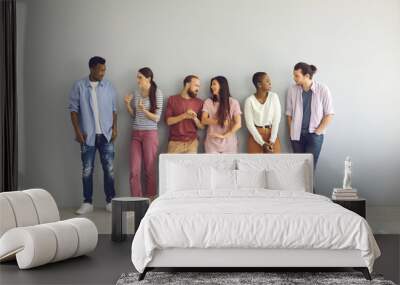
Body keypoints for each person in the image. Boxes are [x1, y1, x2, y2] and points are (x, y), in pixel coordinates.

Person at [69, 56, 117, 214]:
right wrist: (77, 131)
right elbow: (73, 110)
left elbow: (113, 109)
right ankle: (87, 202)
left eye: (104, 69)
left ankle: (110, 201)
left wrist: (114, 128)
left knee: (109, 169)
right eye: (100, 69)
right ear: (92, 69)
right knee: (87, 169)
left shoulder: (108, 86)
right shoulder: (79, 86)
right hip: (87, 135)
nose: (103, 72)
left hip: (106, 134)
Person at [286, 62, 335, 168]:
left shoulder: (322, 89)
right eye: (294, 75)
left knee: (309, 169)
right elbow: (289, 114)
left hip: (314, 136)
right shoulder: (292, 90)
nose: (294, 78)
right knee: (297, 169)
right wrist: (291, 131)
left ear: (307, 76)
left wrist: (317, 132)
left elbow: (329, 114)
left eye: (297, 76)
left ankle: (311, 186)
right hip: (296, 136)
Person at [124, 67, 163, 200]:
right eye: (137, 77)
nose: (137, 80)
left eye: (140, 77)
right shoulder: (136, 92)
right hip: (136, 133)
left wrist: (144, 110)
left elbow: (157, 118)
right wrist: (128, 105)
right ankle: (136, 201)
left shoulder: (157, 93)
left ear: (148, 79)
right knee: (134, 170)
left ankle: (150, 199)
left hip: (150, 134)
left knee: (149, 169)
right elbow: (135, 115)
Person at [201, 76, 242, 153]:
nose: (211, 87)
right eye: (211, 84)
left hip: (229, 142)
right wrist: (220, 121)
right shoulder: (208, 102)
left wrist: (224, 136)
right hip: (211, 143)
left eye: (214, 84)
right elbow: (203, 120)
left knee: (230, 164)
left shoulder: (233, 102)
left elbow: (238, 124)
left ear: (222, 85)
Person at [165, 75, 204, 153]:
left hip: (192, 142)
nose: (198, 89)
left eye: (199, 86)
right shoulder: (172, 99)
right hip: (174, 142)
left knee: (191, 165)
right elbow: (168, 121)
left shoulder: (199, 102)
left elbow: (202, 126)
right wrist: (184, 116)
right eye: (196, 85)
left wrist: (195, 118)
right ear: (187, 84)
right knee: (172, 165)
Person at [244, 72, 281, 153]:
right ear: (259, 85)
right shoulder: (249, 101)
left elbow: (276, 120)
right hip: (255, 136)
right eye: (267, 81)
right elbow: (249, 125)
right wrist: (262, 143)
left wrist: (272, 141)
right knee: (254, 164)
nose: (270, 83)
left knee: (275, 164)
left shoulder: (274, 97)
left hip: (272, 134)